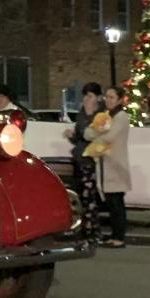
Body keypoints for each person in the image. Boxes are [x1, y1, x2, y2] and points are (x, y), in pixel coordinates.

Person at [85, 86, 131, 248]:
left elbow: (109, 137)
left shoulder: (121, 117)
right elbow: (87, 133)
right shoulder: (105, 116)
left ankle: (119, 238)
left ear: (119, 100)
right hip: (105, 165)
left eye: (112, 97)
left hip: (116, 166)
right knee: (111, 204)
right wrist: (98, 132)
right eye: (107, 97)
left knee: (117, 203)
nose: (108, 100)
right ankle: (114, 235)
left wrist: (98, 132)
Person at [64, 82, 104, 246]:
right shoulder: (83, 112)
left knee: (89, 197)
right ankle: (89, 229)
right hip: (80, 157)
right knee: (83, 196)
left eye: (90, 96)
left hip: (90, 159)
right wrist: (71, 135)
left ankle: (91, 231)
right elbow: (80, 134)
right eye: (85, 96)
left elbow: (90, 134)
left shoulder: (100, 115)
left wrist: (86, 117)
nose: (86, 99)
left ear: (97, 98)